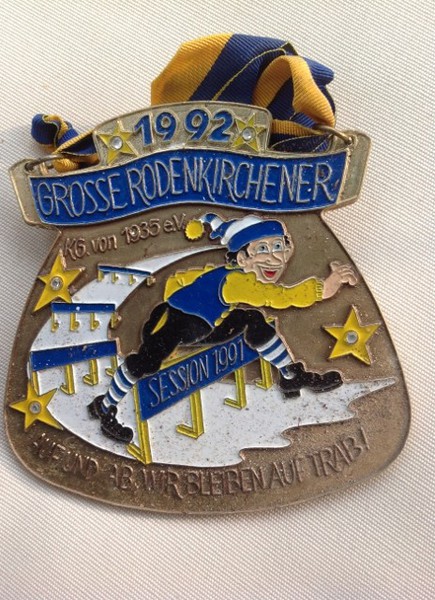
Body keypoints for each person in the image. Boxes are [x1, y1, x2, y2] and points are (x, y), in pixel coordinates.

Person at [88, 213, 357, 442]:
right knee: (144, 363)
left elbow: (187, 283)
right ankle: (106, 405)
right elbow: (279, 297)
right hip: (173, 323)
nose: (274, 258)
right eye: (262, 249)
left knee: (252, 319)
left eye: (278, 247)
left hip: (202, 326)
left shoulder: (232, 275)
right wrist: (326, 287)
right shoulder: (237, 281)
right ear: (242, 259)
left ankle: (291, 375)